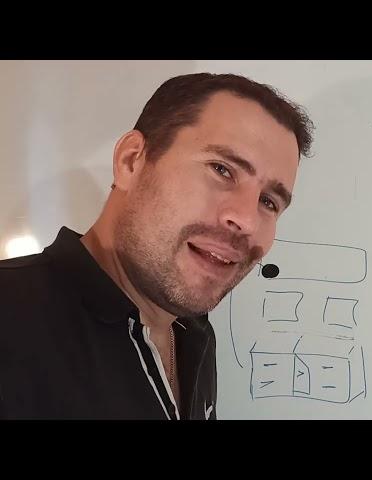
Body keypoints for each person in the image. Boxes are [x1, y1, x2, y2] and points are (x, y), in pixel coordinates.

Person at [0, 72, 314, 419]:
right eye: (222, 170)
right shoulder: (11, 319)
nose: (247, 220)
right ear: (131, 161)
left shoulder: (195, 334)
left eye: (269, 202)